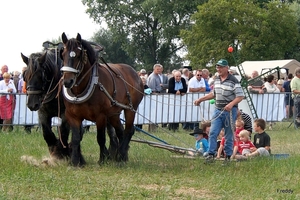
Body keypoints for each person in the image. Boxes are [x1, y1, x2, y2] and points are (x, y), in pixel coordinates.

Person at [194, 59, 244, 164]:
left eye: (221, 67)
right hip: (218, 110)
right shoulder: (216, 79)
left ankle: (228, 156)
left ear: (227, 68)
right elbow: (213, 94)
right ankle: (211, 154)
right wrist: (200, 100)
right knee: (213, 132)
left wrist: (231, 104)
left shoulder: (233, 80)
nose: (219, 69)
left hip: (230, 111)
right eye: (218, 67)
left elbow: (240, 96)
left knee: (228, 134)